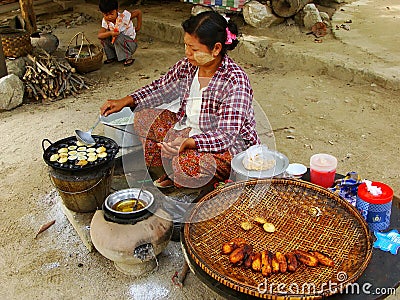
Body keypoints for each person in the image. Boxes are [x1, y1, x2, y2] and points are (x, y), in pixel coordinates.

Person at [100, 11, 260, 188]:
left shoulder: (234, 81)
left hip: (224, 148)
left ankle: (207, 181)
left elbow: (226, 136)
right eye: (186, 46)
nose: (187, 53)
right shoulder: (188, 66)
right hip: (189, 130)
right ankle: (172, 172)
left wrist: (190, 143)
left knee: (186, 165)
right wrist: (126, 100)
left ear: (216, 49)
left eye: (194, 49)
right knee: (144, 118)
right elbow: (160, 88)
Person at [98, 0, 142, 67]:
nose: (109, 17)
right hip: (117, 45)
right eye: (106, 15)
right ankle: (112, 56)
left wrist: (138, 28)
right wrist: (110, 33)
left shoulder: (124, 17)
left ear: (117, 10)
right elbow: (99, 35)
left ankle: (128, 57)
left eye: (111, 14)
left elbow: (138, 12)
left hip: (130, 45)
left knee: (118, 36)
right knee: (104, 38)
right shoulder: (106, 21)